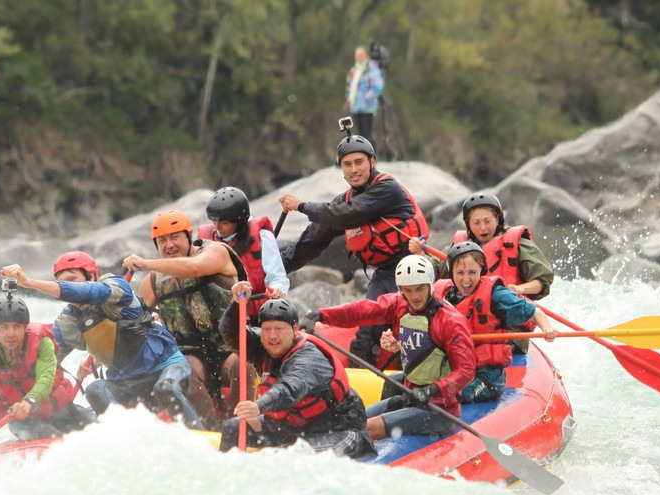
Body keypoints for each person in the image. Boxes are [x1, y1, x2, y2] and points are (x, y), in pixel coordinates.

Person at [0, 251, 204, 429]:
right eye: (62, 282)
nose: (68, 287)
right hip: (126, 381)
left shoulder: (115, 287)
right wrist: (16, 400)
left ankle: (199, 435)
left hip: (165, 366)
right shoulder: (68, 321)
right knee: (95, 389)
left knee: (165, 389)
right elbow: (46, 364)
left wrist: (28, 282)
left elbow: (88, 292)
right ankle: (127, 440)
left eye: (72, 279)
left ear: (92, 276)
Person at [278, 130, 429, 364]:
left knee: (400, 329)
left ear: (372, 161)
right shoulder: (345, 199)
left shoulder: (387, 189)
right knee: (365, 335)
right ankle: (360, 390)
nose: (353, 169)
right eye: (347, 164)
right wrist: (277, 269)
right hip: (384, 274)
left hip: (413, 270)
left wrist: (302, 206)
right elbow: (313, 239)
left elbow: (347, 215)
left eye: (359, 162)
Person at [302, 255, 475, 440]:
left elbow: (466, 370)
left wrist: (432, 390)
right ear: (401, 290)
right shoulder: (399, 305)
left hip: (440, 409)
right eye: (408, 290)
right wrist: (320, 316)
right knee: (350, 421)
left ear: (430, 285)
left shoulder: (451, 321)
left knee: (369, 427)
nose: (415, 296)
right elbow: (362, 311)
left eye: (420, 289)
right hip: (410, 398)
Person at [122, 209, 247, 429]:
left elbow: (195, 267)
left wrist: (147, 263)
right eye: (162, 241)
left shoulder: (215, 252)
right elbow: (132, 322)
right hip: (193, 357)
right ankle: (209, 430)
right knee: (184, 370)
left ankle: (235, 426)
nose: (169, 245)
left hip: (233, 349)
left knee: (242, 365)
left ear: (189, 237)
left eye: (175, 237)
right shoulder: (153, 282)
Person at [217, 289, 376, 458]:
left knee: (294, 455)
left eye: (279, 329)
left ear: (295, 329)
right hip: (291, 429)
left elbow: (289, 389)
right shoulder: (263, 345)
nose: (272, 336)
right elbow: (230, 332)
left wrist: (258, 406)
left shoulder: (309, 357)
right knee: (232, 428)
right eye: (267, 329)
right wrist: (237, 303)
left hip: (339, 431)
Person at [0, 296, 94, 445]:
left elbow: (46, 379)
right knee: (52, 440)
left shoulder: (43, 344)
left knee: (96, 428)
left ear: (26, 328)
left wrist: (28, 403)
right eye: (4, 327)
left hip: (60, 410)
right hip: (24, 423)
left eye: (17, 326)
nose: (11, 333)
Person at [434, 242, 557, 403]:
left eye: (472, 272)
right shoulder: (445, 296)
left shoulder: (495, 295)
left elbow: (534, 311)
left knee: (437, 396)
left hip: (486, 378)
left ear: (481, 271)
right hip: (454, 372)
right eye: (460, 273)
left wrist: (547, 329)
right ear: (451, 273)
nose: (466, 279)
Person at [417, 191, 554, 300]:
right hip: (467, 317)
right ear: (468, 224)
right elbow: (432, 270)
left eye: (487, 221)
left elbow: (543, 280)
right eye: (476, 223)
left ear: (498, 219)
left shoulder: (518, 244)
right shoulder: (460, 246)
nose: (483, 228)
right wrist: (420, 255)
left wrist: (520, 289)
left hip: (510, 317)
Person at [196, 186, 290, 319]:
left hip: (259, 313)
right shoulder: (204, 242)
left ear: (239, 222)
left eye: (224, 223)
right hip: (223, 315)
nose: (217, 227)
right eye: (214, 221)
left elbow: (277, 277)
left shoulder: (263, 237)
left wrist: (277, 291)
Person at [344, 46, 384, 142]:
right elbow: (350, 86)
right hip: (355, 106)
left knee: (367, 133)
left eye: (361, 55)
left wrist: (367, 97)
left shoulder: (372, 69)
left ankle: (372, 155)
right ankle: (363, 155)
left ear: (367, 56)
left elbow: (378, 86)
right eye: (357, 55)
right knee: (360, 134)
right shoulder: (354, 69)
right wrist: (348, 101)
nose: (358, 57)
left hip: (367, 107)